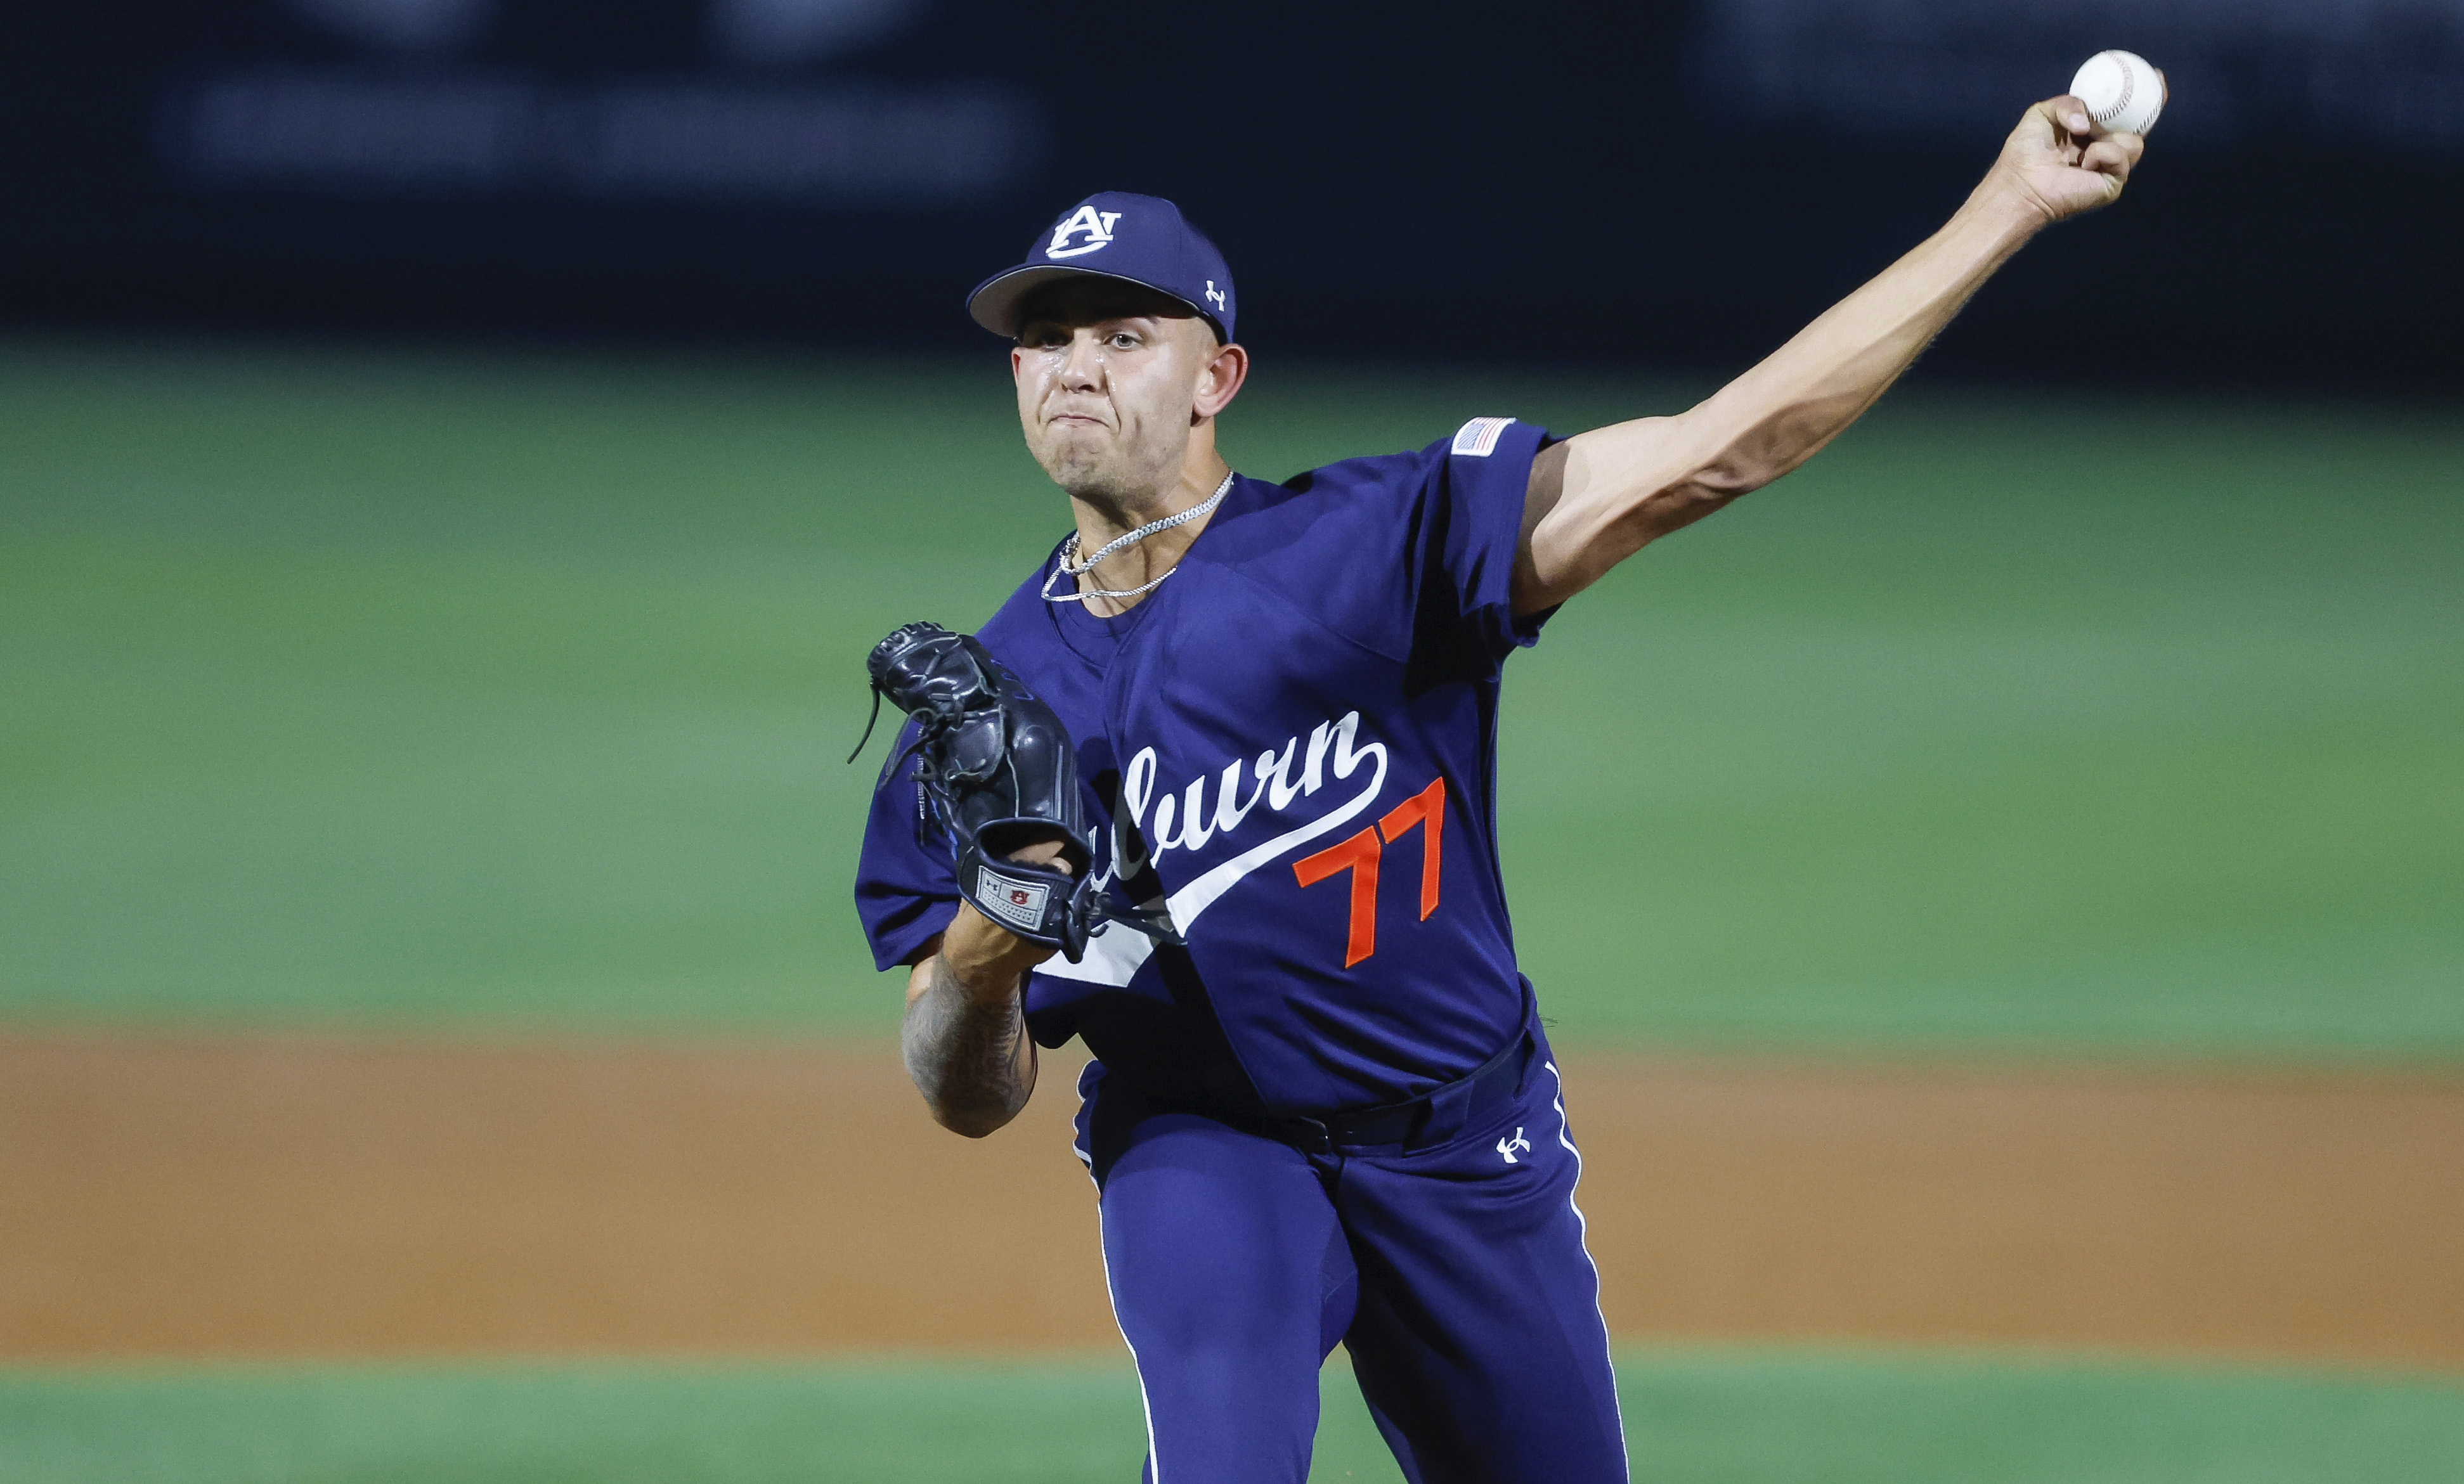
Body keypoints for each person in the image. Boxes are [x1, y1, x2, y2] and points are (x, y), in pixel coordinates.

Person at [855, 93, 2146, 1484]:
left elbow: (1725, 445)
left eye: (1121, 335)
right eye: (1043, 338)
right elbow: (965, 1094)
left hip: (1465, 1145)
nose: (1071, 368)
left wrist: (2004, 207)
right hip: (1207, 1155)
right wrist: (986, 959)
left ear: (1215, 375)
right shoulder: (984, 705)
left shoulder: (1374, 547)